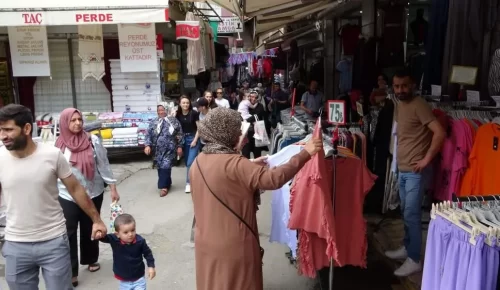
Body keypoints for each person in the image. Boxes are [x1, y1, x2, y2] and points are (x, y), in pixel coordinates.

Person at [190, 107, 322, 290]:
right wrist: (305, 153)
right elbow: (274, 179)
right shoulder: (236, 164)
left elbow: (221, 176)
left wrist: (250, 164)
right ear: (225, 133)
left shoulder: (197, 162)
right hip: (233, 243)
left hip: (205, 241)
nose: (242, 138)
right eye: (237, 132)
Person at [0, 104, 107, 290]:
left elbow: (75, 188)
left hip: (53, 241)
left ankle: (87, 261)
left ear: (26, 128)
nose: (2, 135)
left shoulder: (51, 155)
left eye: (8, 130)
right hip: (15, 243)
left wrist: (96, 219)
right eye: (1, 130)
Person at [384, 70, 445, 277]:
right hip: (403, 169)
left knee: (412, 214)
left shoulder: (419, 105)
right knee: (405, 213)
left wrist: (427, 159)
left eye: (404, 86)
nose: (400, 90)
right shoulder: (399, 105)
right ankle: (407, 248)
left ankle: (414, 259)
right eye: (397, 86)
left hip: (415, 172)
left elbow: (440, 132)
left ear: (412, 86)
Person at [56, 108, 121, 287]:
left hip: (93, 192)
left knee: (91, 227)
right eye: (73, 120)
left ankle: (91, 259)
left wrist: (113, 187)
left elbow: (104, 165)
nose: (77, 123)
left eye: (79, 120)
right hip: (67, 195)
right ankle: (72, 270)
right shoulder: (59, 145)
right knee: (68, 232)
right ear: (65, 123)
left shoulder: (93, 140)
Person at [100, 214, 156, 290]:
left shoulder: (140, 241)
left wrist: (151, 267)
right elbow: (103, 238)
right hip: (124, 280)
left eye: (133, 230)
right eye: (125, 232)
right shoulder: (114, 239)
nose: (130, 234)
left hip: (139, 278)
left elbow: (148, 254)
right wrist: (99, 234)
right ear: (117, 234)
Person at [144, 105, 184, 197]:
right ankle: (167, 182)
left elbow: (180, 134)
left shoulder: (173, 120)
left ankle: (163, 187)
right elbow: (148, 135)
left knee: (165, 166)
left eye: (163, 110)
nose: (161, 112)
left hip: (170, 149)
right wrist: (147, 145)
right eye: (159, 110)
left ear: (166, 110)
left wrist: (179, 146)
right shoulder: (154, 122)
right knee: (160, 167)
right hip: (157, 150)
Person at [176, 96, 201, 193]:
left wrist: (195, 140)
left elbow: (199, 128)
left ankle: (188, 183)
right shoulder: (177, 114)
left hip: (193, 138)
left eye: (187, 103)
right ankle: (195, 177)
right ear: (180, 104)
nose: (185, 104)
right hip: (182, 139)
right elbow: (175, 128)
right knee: (187, 162)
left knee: (190, 162)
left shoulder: (194, 113)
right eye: (183, 103)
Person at [240, 91, 269, 160]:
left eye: (255, 97)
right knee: (245, 153)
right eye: (252, 97)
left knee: (257, 154)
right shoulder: (245, 104)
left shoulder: (260, 106)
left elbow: (257, 116)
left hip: (257, 133)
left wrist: (246, 120)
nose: (253, 99)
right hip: (246, 133)